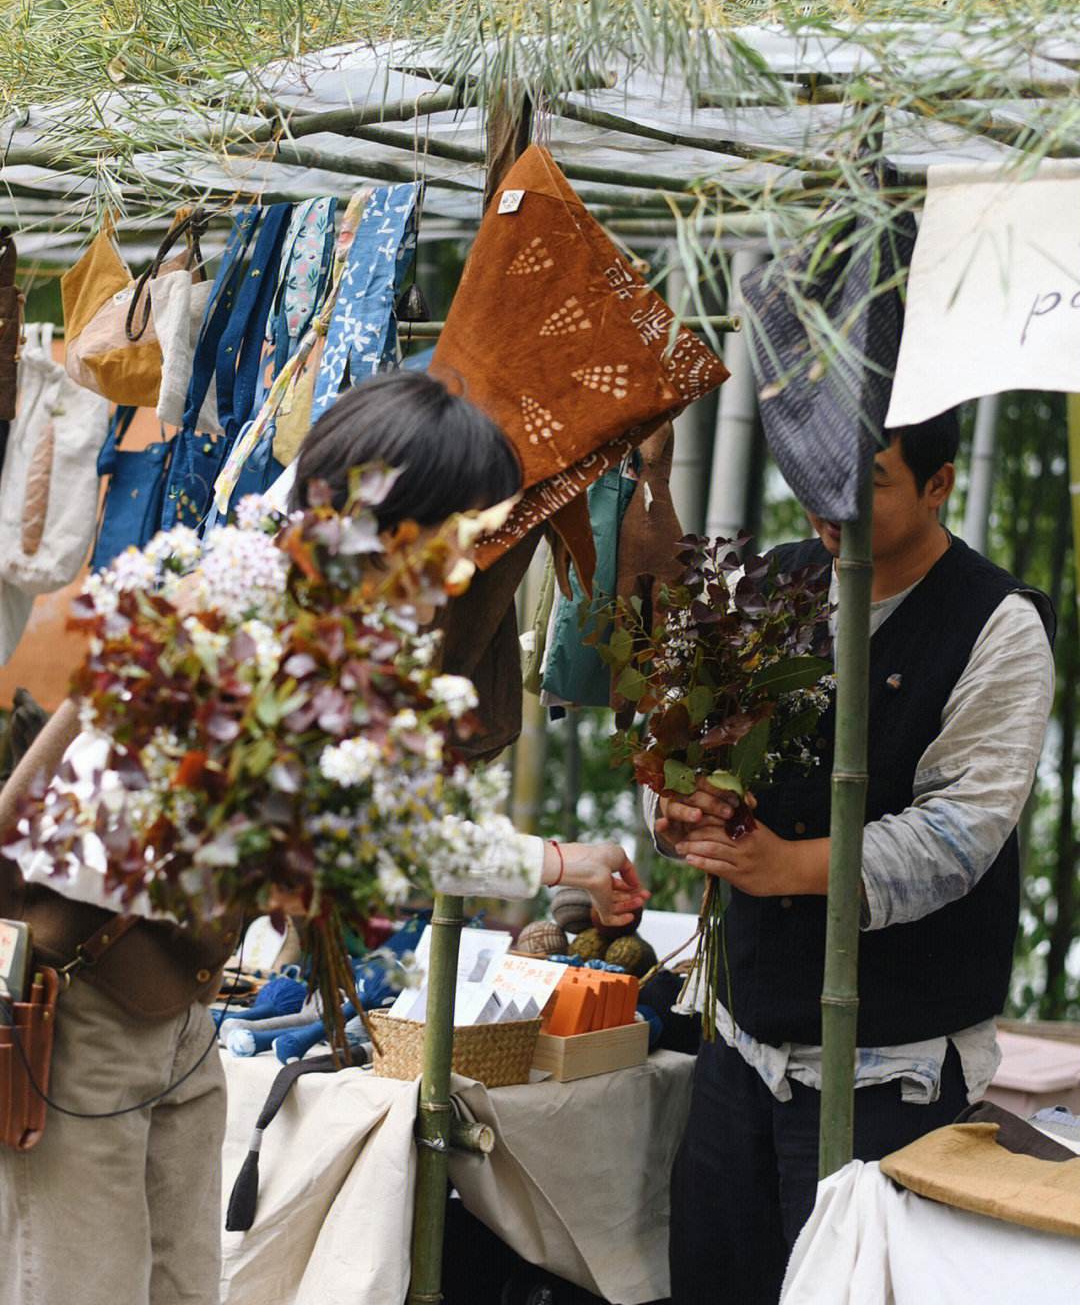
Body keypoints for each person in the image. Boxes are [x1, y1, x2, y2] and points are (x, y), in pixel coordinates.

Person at [0, 372, 646, 1305]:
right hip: (85, 1009)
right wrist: (279, 849)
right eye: (457, 533)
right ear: (389, 507)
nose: (462, 566)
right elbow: (97, 839)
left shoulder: (342, 628)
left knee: (187, 1288)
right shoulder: (232, 609)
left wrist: (554, 860)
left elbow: (378, 820)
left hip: (176, 1013)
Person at [656, 410, 1056, 1304]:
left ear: (938, 485)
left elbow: (960, 832)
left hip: (893, 1072)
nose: (830, 512)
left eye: (867, 485)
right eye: (816, 480)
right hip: (741, 1040)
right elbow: (689, 739)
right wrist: (681, 806)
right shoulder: (775, 584)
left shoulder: (998, 624)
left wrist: (787, 866)